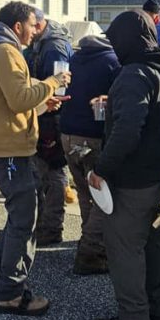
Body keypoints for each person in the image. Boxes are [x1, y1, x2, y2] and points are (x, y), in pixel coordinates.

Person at [89, 10, 160, 320]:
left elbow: (127, 131)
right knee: (154, 242)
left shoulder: (133, 75)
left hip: (135, 178)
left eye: (115, 41)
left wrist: (101, 169)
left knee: (124, 247)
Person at [0, 1, 68, 317]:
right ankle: (11, 293)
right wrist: (53, 83)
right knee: (26, 218)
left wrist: (43, 104)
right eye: (32, 24)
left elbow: (11, 101)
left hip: (9, 145)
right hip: (11, 149)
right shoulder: (6, 53)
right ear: (17, 26)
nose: (36, 29)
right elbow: (18, 99)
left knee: (21, 212)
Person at [59, 35, 120, 275]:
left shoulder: (74, 59)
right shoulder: (112, 62)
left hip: (68, 136)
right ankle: (91, 253)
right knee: (102, 197)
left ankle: (86, 240)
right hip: (93, 137)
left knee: (85, 192)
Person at [25, 8, 73, 245]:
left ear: (41, 25)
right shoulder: (38, 45)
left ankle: (51, 228)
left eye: (33, 26)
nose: (29, 31)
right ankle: (44, 225)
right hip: (43, 112)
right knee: (43, 173)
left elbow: (60, 87)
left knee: (53, 173)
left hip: (53, 116)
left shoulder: (54, 47)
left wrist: (45, 103)